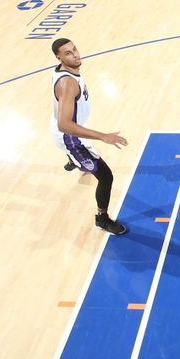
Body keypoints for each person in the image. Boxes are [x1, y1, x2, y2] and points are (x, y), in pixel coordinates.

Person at [50, 38, 129, 235]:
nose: (75, 54)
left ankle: (73, 160)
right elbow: (65, 124)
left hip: (68, 129)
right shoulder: (68, 83)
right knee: (106, 176)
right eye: (68, 53)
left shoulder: (65, 70)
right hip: (70, 136)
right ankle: (102, 219)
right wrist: (103, 136)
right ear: (59, 57)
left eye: (74, 49)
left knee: (88, 162)